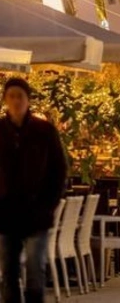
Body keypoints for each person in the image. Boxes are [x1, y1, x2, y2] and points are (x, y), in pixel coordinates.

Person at [0, 78, 67, 303]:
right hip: (5, 215)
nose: (16, 101)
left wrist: (49, 205)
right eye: (12, 96)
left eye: (20, 96)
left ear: (28, 100)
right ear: (6, 100)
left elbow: (59, 170)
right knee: (8, 272)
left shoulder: (44, 131)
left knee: (35, 270)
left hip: (36, 214)